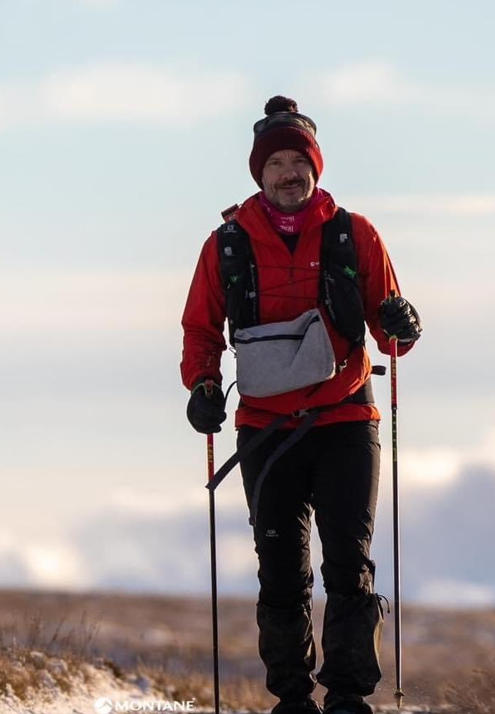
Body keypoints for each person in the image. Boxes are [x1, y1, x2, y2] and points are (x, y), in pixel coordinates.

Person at [180, 96, 422, 714]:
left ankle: (347, 698)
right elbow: (201, 331)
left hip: (346, 421)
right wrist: (203, 388)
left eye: (299, 161)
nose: (289, 172)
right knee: (282, 572)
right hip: (265, 430)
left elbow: (392, 337)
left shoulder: (354, 234)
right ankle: (291, 699)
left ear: (315, 168)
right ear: (259, 174)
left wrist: (404, 324)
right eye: (277, 162)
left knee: (349, 563)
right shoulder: (226, 246)